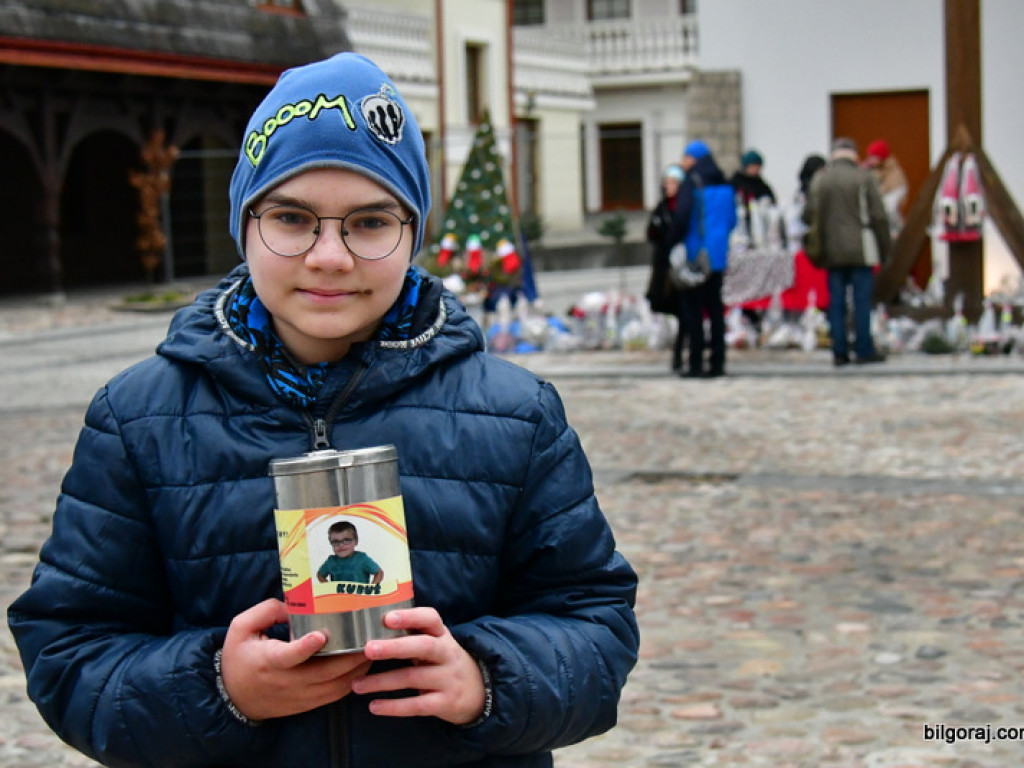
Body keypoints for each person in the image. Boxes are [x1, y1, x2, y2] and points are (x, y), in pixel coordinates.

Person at [7, 52, 639, 768]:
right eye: (292, 218)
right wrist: (220, 687)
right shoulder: (137, 420)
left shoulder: (517, 417)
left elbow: (597, 626)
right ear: (245, 226)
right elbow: (69, 655)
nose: (329, 255)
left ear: (413, 232)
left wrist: (485, 679)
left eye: (370, 222)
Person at [803, 137, 890, 366]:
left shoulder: (821, 180)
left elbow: (808, 214)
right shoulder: (864, 177)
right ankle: (863, 349)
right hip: (862, 247)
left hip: (831, 249)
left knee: (836, 302)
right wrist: (885, 247)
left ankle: (839, 350)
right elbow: (879, 216)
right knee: (862, 301)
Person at [670, 140, 737, 378]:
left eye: (685, 157)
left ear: (694, 159)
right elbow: (732, 221)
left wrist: (673, 241)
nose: (683, 162)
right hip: (717, 257)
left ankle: (696, 363)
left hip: (695, 256)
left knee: (694, 312)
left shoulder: (692, 183)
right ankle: (718, 362)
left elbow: (682, 216)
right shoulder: (726, 184)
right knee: (716, 310)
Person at [645, 163, 687, 371]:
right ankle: (676, 352)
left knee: (684, 311)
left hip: (681, 265)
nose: (669, 186)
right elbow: (652, 233)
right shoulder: (662, 208)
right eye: (667, 183)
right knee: (670, 308)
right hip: (665, 267)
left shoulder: (684, 207)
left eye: (673, 183)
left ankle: (680, 353)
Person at [863, 139, 908, 236]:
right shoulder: (869, 171)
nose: (869, 160)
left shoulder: (894, 175)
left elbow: (891, 206)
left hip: (890, 226)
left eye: (873, 157)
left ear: (881, 157)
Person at [317, 521, 383, 586]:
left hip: (360, 596)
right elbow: (320, 575)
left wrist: (372, 588)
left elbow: (379, 572)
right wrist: (328, 587)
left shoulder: (362, 559)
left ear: (356, 541)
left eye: (346, 540)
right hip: (338, 596)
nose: (341, 545)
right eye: (335, 542)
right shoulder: (331, 561)